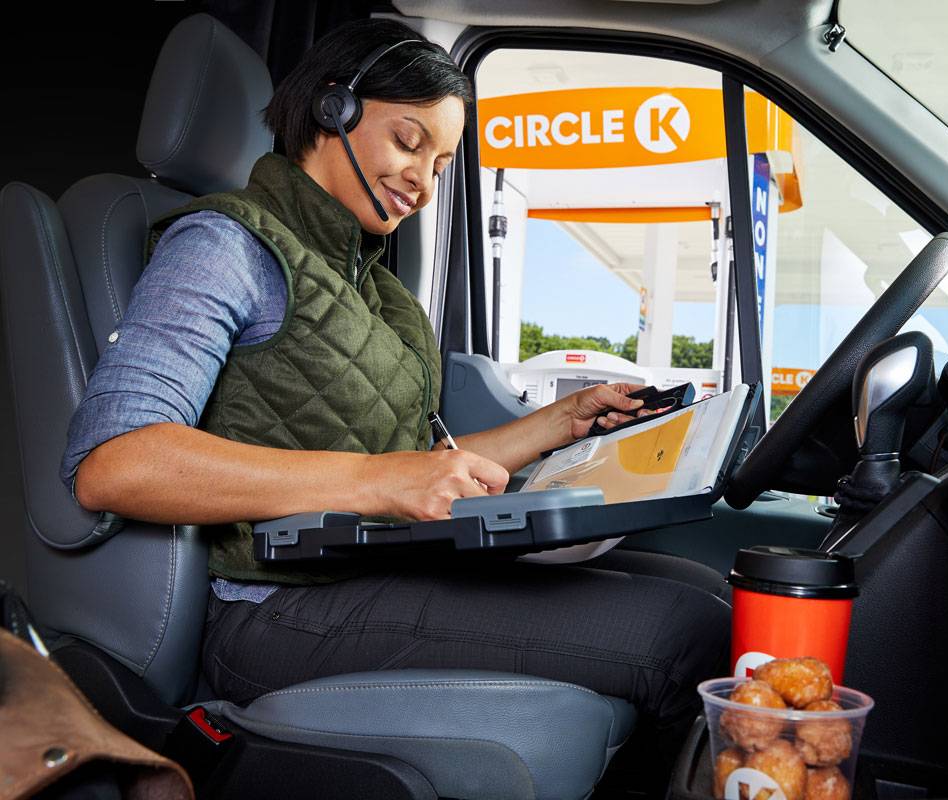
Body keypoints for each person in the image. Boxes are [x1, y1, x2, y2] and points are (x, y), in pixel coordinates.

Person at [59, 17, 729, 779]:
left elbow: (415, 470)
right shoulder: (224, 246)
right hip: (269, 608)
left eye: (441, 163)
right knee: (687, 631)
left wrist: (564, 422)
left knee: (698, 586)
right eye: (410, 143)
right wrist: (382, 479)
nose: (424, 179)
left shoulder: (377, 289)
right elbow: (115, 461)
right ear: (331, 110)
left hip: (365, 570)